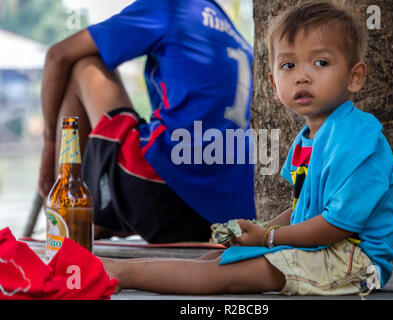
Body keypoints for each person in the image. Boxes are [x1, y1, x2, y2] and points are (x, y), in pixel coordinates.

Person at [101, 2, 393, 296]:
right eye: (289, 65)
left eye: (321, 63)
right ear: (274, 83)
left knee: (226, 275)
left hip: (354, 262)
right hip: (325, 250)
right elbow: (303, 211)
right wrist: (258, 231)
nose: (302, 75)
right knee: (218, 259)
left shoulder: (358, 136)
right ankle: (122, 272)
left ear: (355, 76)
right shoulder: (309, 137)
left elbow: (336, 224)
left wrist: (269, 238)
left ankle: (119, 271)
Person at [38, 0, 256, 243]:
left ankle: (67, 215)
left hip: (161, 195)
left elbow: (57, 55)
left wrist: (48, 145)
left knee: (83, 63)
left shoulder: (171, 7)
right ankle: (100, 214)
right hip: (219, 214)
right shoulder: (229, 29)